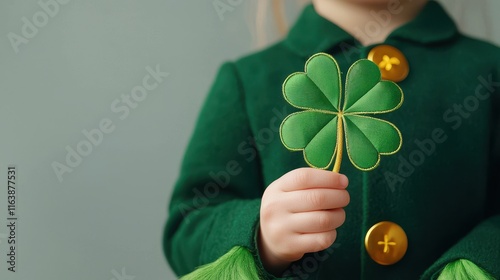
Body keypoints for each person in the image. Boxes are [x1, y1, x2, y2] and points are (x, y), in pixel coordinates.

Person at [164, 0, 500, 279]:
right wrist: (259, 237)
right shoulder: (247, 81)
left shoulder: (490, 71)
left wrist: (474, 265)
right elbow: (189, 225)